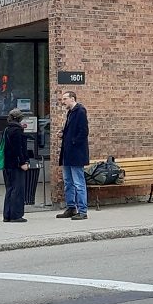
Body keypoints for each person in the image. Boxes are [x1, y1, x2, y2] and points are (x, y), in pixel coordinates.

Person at [56, 90, 90, 220]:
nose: (63, 102)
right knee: (68, 182)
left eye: (65, 99)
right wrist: (64, 134)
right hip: (67, 153)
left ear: (72, 98)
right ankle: (71, 207)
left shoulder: (80, 111)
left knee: (78, 183)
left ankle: (82, 211)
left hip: (76, 153)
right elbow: (72, 131)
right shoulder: (70, 112)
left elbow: (83, 132)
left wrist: (73, 141)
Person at [2, 108, 30, 223]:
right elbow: (18, 149)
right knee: (17, 190)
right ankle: (16, 215)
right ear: (19, 118)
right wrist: (22, 163)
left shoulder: (7, 130)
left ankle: (7, 215)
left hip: (7, 164)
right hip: (16, 165)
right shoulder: (17, 131)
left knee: (9, 189)